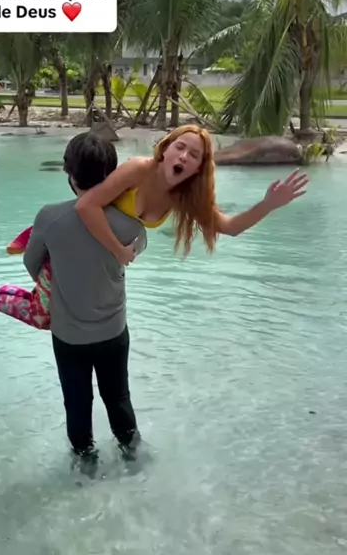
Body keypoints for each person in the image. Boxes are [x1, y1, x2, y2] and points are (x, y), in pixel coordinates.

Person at [23, 132, 146, 471]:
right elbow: (138, 247)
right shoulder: (129, 222)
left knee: (77, 403)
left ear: (69, 173)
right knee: (118, 397)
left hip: (69, 335)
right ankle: (134, 460)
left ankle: (85, 470)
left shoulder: (49, 217)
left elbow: (32, 264)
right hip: (113, 330)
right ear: (113, 175)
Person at [76, 124, 309, 264]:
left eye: (194, 155)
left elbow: (230, 227)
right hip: (80, 240)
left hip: (104, 263)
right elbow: (86, 206)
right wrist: (119, 251)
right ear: (165, 149)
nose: (184, 156)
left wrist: (268, 204)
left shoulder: (183, 196)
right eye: (180, 147)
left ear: (198, 169)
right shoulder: (139, 169)